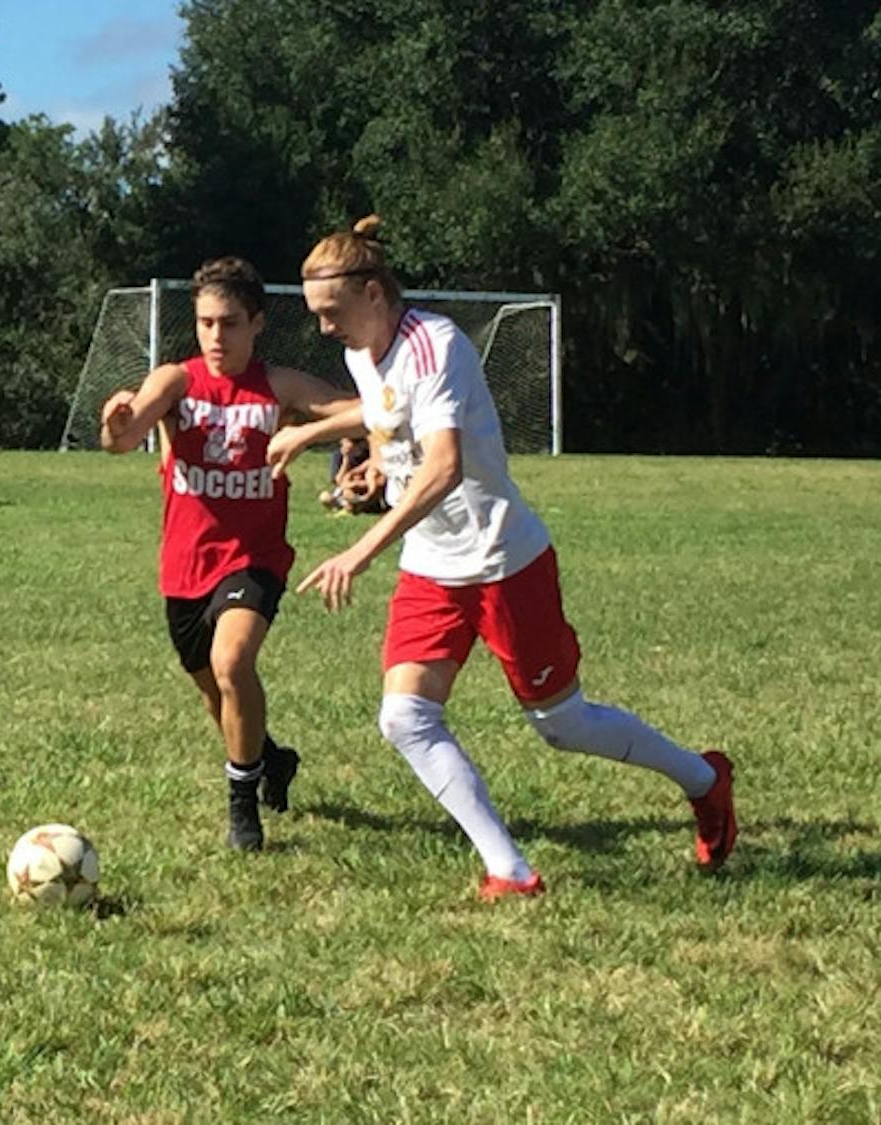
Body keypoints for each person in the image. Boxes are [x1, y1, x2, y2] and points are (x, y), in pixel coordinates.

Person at [268, 216, 736, 897]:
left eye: (331, 313)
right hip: (433, 566)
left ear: (373, 292)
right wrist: (336, 443)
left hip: (501, 558)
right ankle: (510, 869)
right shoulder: (361, 353)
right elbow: (384, 414)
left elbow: (446, 466)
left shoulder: (438, 344)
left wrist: (362, 546)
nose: (323, 329)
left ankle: (704, 778)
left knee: (562, 723)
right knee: (404, 717)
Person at [100, 257, 356, 851]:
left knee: (232, 662)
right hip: (185, 565)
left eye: (231, 323)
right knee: (218, 694)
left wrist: (317, 429)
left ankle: (242, 807)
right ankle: (272, 759)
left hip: (254, 559)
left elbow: (356, 411)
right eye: (206, 323)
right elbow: (124, 437)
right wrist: (114, 423)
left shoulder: (279, 387)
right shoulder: (176, 381)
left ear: (257, 323)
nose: (217, 337)